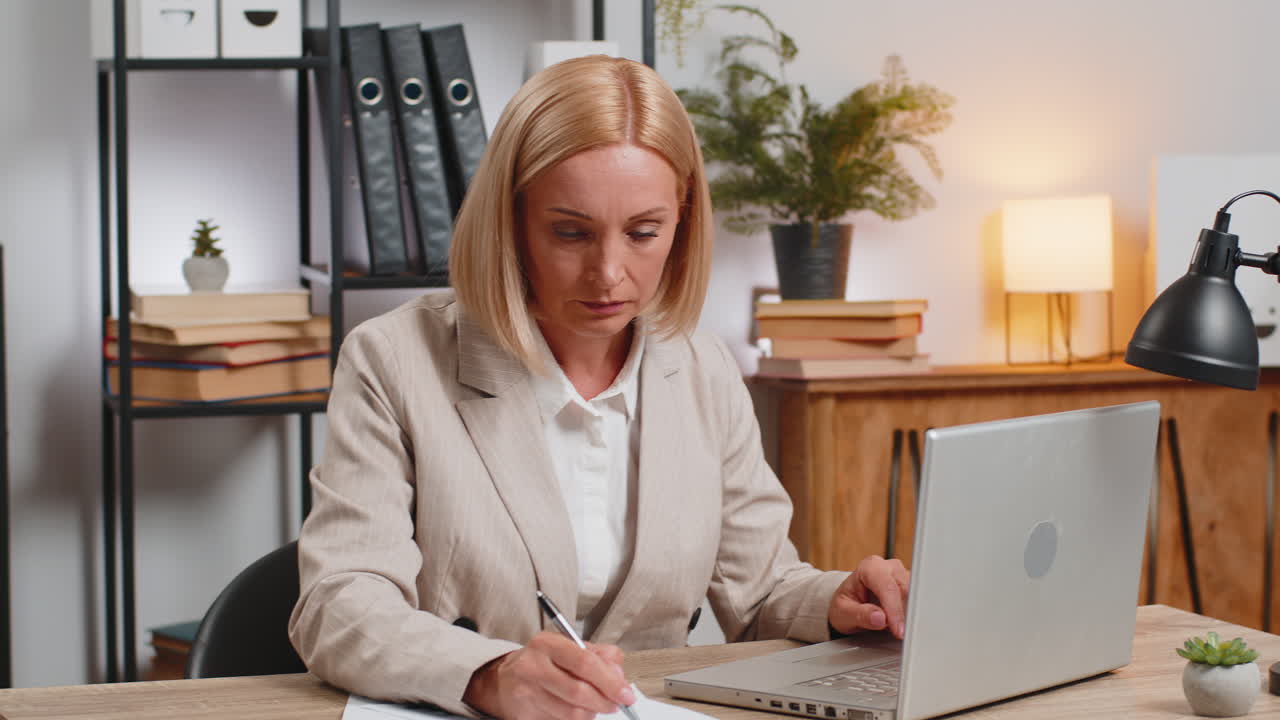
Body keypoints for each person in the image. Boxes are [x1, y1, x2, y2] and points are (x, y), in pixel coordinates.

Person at [288, 55, 910, 720]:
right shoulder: (393, 360)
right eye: (570, 232)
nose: (609, 273)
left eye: (644, 232)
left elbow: (759, 593)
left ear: (683, 221)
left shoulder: (702, 368)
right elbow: (339, 606)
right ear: (511, 220)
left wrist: (838, 603)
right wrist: (487, 673)